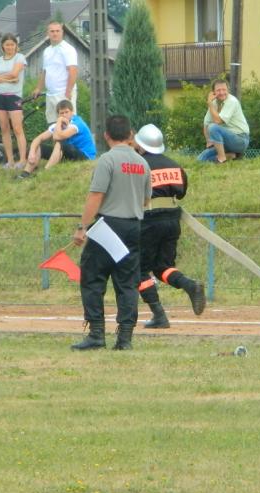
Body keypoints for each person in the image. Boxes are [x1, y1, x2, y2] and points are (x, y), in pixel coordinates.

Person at [71, 114, 151, 351]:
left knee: (92, 278)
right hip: (133, 227)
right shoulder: (143, 163)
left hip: (107, 226)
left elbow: (96, 195)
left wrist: (82, 227)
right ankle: (125, 338)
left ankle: (96, 333)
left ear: (106, 136)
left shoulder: (107, 160)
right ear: (130, 135)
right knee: (127, 283)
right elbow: (146, 200)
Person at [132, 123, 206, 328]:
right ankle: (190, 286)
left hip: (148, 221)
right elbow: (181, 193)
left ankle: (159, 315)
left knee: (139, 270)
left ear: (141, 145)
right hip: (172, 220)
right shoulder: (174, 165)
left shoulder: (139, 166)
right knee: (162, 267)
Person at [16, 99, 96, 179]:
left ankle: (44, 173)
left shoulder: (77, 123)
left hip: (85, 156)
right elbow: (38, 139)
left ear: (72, 112)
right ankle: (25, 174)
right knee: (40, 147)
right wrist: (32, 153)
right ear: (58, 114)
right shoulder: (58, 125)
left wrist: (59, 121)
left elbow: (57, 136)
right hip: (69, 153)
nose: (64, 115)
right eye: (61, 113)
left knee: (60, 144)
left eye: (66, 112)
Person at [0, 33, 27, 169]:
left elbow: (15, 74)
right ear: (3, 46)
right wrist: (8, 79)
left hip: (14, 96)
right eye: (7, 45)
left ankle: (22, 160)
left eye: (12, 44)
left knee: (17, 128)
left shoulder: (20, 57)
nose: (9, 47)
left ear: (16, 46)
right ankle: (10, 161)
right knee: (4, 129)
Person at [31, 21, 78, 124]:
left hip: (64, 93)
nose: (55, 33)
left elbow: (73, 71)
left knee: (67, 124)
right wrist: (38, 88)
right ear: (48, 33)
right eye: (52, 31)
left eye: (57, 31)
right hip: (50, 94)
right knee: (53, 126)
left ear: (62, 32)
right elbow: (45, 71)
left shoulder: (68, 49)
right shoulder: (47, 51)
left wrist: (68, 91)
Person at [198, 79, 249, 164]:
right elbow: (206, 123)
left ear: (228, 90)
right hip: (224, 141)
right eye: (218, 90)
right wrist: (209, 142)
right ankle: (233, 155)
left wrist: (210, 104)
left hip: (240, 139)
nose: (222, 92)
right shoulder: (214, 103)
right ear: (213, 92)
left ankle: (222, 159)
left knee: (213, 127)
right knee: (201, 158)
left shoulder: (232, 101)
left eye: (224, 89)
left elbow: (218, 121)